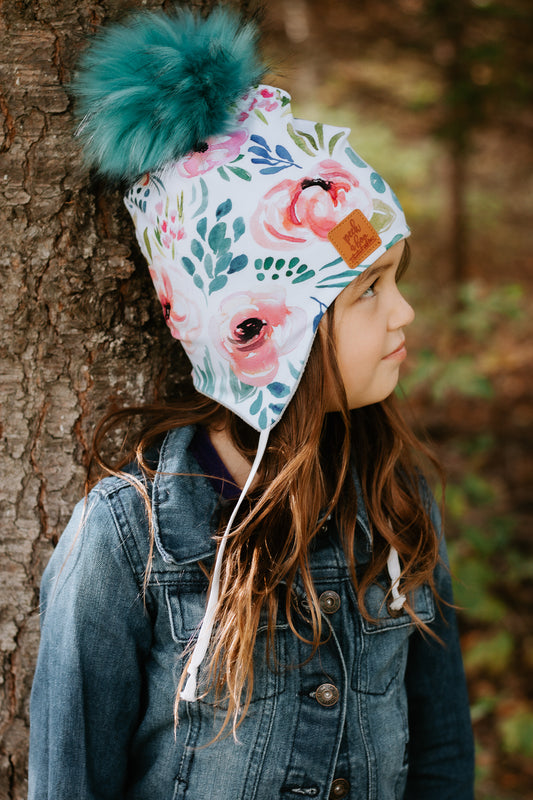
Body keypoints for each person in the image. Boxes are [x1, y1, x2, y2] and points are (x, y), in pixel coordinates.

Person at [28, 5, 475, 799]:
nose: (403, 313)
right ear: (269, 337)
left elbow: (440, 756)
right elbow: (71, 778)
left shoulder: (396, 499)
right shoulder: (131, 539)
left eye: (394, 280)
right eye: (368, 290)